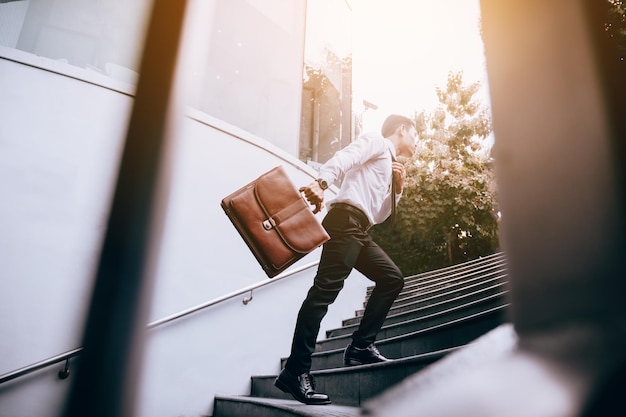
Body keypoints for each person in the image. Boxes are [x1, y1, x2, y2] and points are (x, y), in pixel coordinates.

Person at [274, 114, 418, 405]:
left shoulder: (390, 165)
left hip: (360, 229)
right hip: (344, 223)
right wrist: (322, 182)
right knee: (322, 296)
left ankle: (361, 347)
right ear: (402, 130)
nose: (418, 142)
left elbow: (380, 216)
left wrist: (397, 189)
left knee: (392, 279)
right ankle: (295, 371)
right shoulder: (376, 141)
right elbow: (346, 157)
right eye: (416, 135)